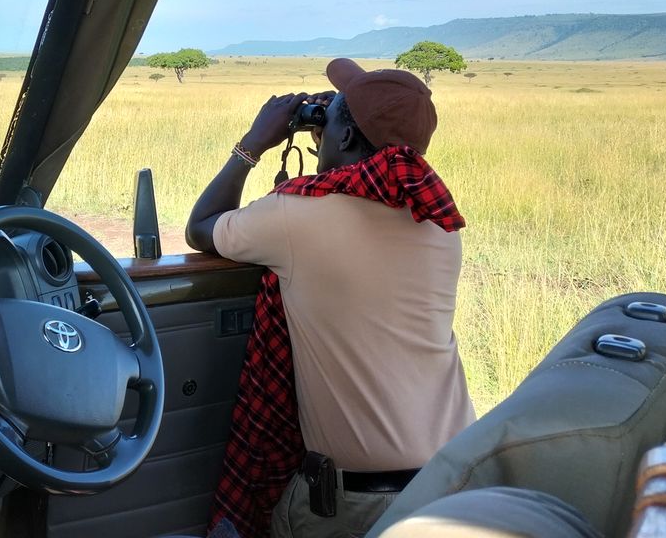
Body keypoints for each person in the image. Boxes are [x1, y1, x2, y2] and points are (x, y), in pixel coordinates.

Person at [187, 58, 476, 538]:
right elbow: (363, 187)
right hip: (454, 475)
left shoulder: (298, 217)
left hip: (357, 500)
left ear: (342, 137)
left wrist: (254, 142)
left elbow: (202, 228)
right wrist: (338, 133)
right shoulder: (437, 223)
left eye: (335, 111)